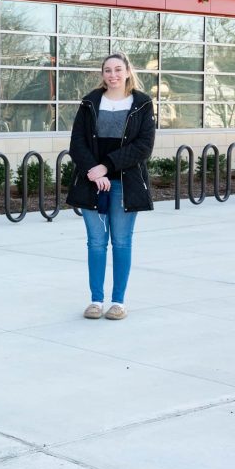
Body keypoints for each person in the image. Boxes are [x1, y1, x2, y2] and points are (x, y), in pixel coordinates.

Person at [66, 52, 155, 321]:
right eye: (107, 70)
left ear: (128, 71)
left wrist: (107, 166)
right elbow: (77, 142)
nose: (113, 75)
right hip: (91, 181)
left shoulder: (142, 103)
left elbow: (143, 147)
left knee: (121, 241)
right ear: (102, 74)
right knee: (95, 242)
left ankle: (118, 302)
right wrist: (94, 172)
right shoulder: (90, 102)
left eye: (118, 69)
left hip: (125, 184)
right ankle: (95, 300)